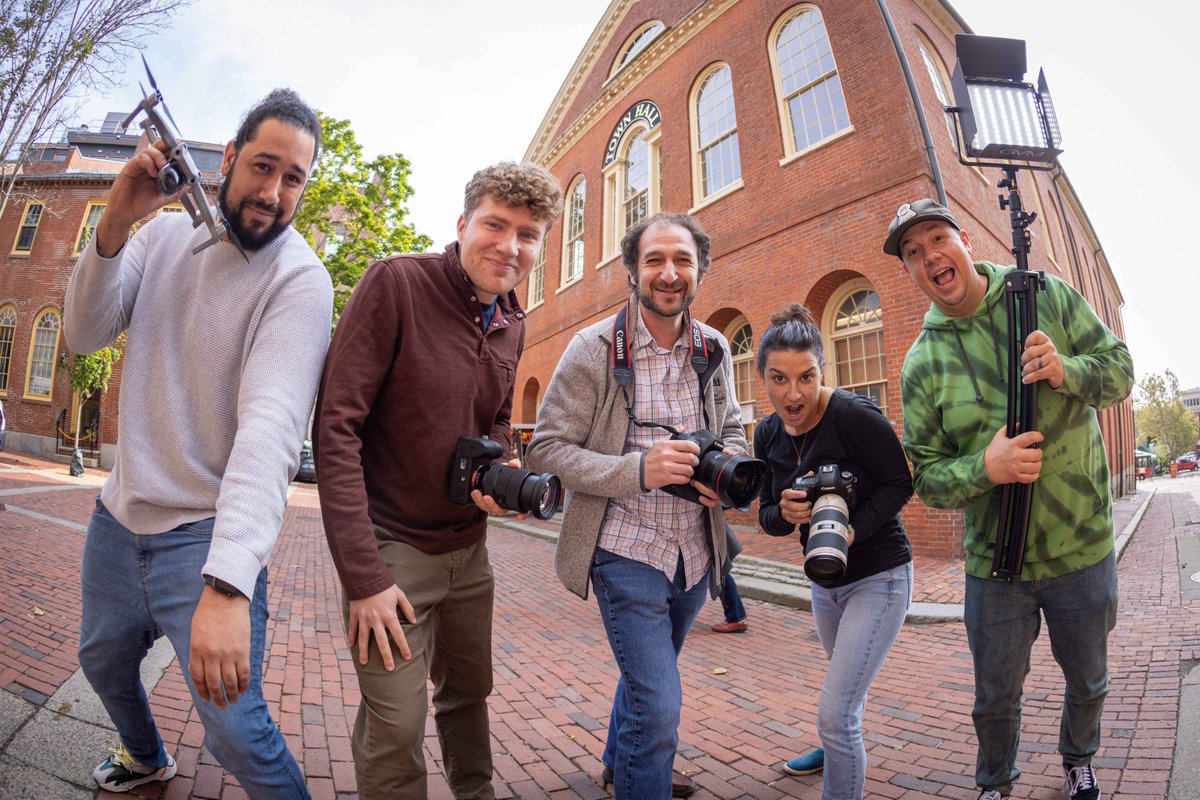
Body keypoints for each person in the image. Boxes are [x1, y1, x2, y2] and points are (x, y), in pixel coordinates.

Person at [64, 89, 330, 797]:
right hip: (118, 520)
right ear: (231, 157)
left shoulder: (300, 278)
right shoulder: (161, 235)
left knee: (235, 729)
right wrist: (117, 222)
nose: (273, 193)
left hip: (205, 537)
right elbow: (85, 335)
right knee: (101, 661)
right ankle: (146, 754)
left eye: (294, 178)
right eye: (264, 167)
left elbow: (271, 426)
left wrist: (228, 581)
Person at [313, 161, 562, 800]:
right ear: (462, 224)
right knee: (397, 727)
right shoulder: (395, 283)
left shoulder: (513, 318)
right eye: (496, 225)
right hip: (392, 550)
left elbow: (497, 421)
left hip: (469, 554)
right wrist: (364, 579)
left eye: (528, 235)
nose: (510, 247)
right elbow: (335, 428)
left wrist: (500, 469)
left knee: (468, 697)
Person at [888, 199, 1133, 800]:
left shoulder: (1043, 295)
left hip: (1082, 546)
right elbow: (925, 476)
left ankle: (1079, 758)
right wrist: (984, 468)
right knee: (994, 697)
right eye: (913, 253)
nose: (930, 258)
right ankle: (994, 783)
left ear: (965, 240)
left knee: (1090, 680)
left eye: (937, 239)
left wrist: (1066, 370)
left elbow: (1120, 370)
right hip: (997, 565)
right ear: (909, 273)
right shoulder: (921, 363)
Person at [525, 211, 745, 799]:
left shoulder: (715, 348)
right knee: (660, 703)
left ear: (700, 269)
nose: (669, 274)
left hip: (697, 554)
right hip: (623, 549)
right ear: (631, 271)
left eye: (682, 261)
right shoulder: (593, 348)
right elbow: (544, 449)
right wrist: (637, 471)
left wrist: (721, 476)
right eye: (654, 261)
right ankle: (641, 772)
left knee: (651, 677)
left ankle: (621, 765)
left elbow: (733, 429)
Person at [753, 304, 912, 797]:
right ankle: (833, 747)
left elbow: (899, 484)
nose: (793, 394)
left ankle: (835, 742)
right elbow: (765, 516)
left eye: (806, 377)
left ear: (824, 371)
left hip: (880, 576)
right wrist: (784, 513)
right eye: (779, 378)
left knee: (836, 710)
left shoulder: (852, 416)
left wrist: (852, 530)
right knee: (843, 693)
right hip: (823, 582)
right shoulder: (767, 433)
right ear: (763, 377)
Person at [711, 527, 748, 633]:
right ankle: (736, 616)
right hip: (704, 531)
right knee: (718, 572)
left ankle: (736, 617)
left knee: (719, 572)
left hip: (704, 530)